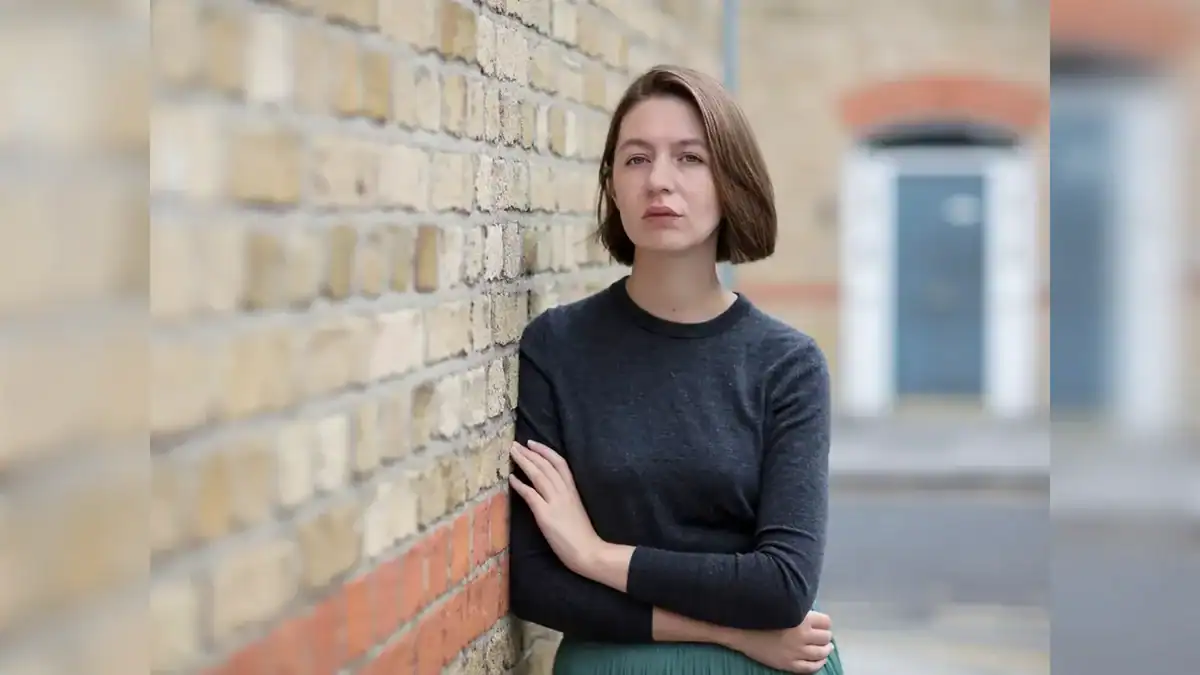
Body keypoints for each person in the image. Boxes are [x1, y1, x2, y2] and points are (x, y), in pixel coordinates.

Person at [507, 64, 843, 675]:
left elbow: (783, 585)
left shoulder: (788, 365)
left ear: (730, 181)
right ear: (611, 185)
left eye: (690, 158)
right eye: (636, 159)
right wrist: (736, 634)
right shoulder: (557, 346)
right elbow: (533, 582)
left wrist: (596, 555)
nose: (659, 181)